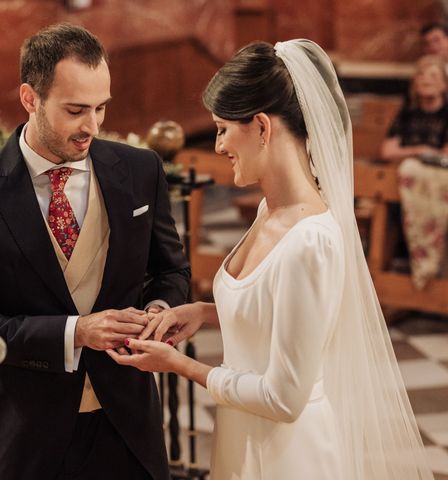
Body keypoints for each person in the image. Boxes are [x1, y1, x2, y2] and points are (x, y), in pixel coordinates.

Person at [109, 40, 433, 479]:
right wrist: (203, 312)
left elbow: (285, 398)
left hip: (287, 454)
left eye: (223, 128)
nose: (219, 144)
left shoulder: (309, 241)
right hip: (243, 434)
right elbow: (273, 312)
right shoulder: (269, 211)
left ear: (262, 126)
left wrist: (178, 365)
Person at [0, 23, 189, 480]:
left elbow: (171, 271)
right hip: (30, 434)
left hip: (130, 426)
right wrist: (76, 332)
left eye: (100, 108)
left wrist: (159, 311)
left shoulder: (140, 169)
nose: (92, 126)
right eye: (76, 110)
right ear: (30, 99)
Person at [381, 54, 448, 162]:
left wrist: (407, 153)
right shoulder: (407, 112)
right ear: (415, 83)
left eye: (433, 76)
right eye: (421, 75)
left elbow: (445, 157)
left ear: (444, 84)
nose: (426, 80)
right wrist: (420, 151)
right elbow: (388, 152)